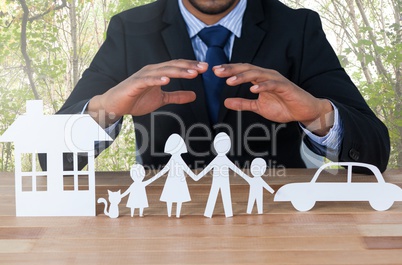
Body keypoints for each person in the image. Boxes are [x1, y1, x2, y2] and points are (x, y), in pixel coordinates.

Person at [55, 0, 390, 173]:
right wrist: (105, 109)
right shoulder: (129, 30)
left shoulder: (298, 28)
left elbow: (374, 152)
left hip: (276, 226)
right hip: (165, 225)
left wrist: (318, 115)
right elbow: (51, 158)